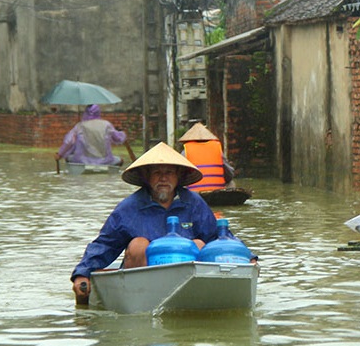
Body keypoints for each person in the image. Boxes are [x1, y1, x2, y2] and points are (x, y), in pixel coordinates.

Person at [70, 142, 252, 304]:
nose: (163, 178)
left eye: (169, 172)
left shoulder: (193, 203)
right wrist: (82, 273)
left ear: (178, 176)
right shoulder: (129, 208)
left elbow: (217, 237)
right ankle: (141, 304)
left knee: (199, 244)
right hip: (143, 286)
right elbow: (105, 244)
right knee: (139, 245)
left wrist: (247, 257)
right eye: (157, 172)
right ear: (147, 177)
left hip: (188, 285)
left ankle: (193, 303)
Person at [54, 104, 126, 166]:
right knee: (120, 160)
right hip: (105, 162)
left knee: (68, 158)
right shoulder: (107, 125)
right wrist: (122, 134)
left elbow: (69, 142)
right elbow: (118, 139)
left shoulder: (80, 126)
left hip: (82, 161)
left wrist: (60, 155)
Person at [178, 122, 235, 191]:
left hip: (194, 192)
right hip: (217, 191)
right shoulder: (216, 149)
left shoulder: (185, 151)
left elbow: (179, 177)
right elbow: (230, 175)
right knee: (231, 183)